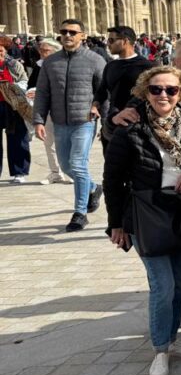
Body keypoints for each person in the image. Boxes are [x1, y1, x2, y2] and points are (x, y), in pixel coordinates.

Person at [103, 66, 181, 375]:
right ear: (145, 92)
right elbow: (112, 180)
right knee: (162, 287)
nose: (163, 95)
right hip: (147, 214)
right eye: (156, 89)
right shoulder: (130, 130)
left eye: (171, 90)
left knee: (179, 284)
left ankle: (171, 339)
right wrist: (116, 224)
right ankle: (160, 349)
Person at [31, 19, 107, 233]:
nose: (67, 35)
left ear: (82, 35)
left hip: (84, 121)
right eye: (63, 32)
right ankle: (94, 187)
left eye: (72, 32)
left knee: (78, 164)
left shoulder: (95, 60)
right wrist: (38, 120)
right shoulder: (50, 62)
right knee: (66, 166)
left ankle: (80, 213)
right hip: (59, 121)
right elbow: (43, 93)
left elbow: (104, 92)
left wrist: (103, 115)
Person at [96, 26, 154, 153]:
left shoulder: (147, 67)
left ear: (125, 41)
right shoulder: (110, 66)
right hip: (113, 122)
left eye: (111, 40)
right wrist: (95, 105)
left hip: (137, 124)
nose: (108, 44)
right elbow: (102, 91)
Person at [27, 39, 70, 184]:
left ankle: (69, 171)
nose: (41, 53)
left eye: (45, 51)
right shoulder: (39, 66)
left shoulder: (64, 65)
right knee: (48, 140)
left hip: (63, 108)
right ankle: (55, 172)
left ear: (55, 51)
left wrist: (40, 91)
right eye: (40, 50)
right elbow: (31, 84)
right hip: (46, 108)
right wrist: (32, 91)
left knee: (66, 141)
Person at [0, 38, 31, 184]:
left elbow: (24, 81)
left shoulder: (13, 64)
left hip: (12, 105)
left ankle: (19, 172)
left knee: (17, 137)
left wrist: (13, 87)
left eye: (0, 50)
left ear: (5, 51)